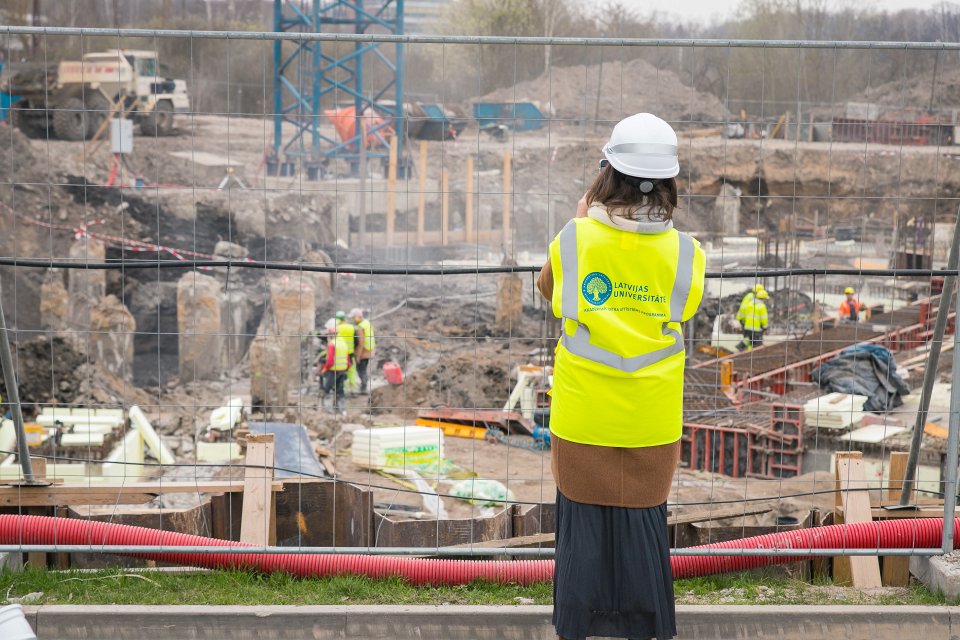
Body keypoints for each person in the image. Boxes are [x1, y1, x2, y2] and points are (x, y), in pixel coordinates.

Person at [536, 112, 705, 640]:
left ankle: (580, 626)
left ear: (607, 173)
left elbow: (548, 289)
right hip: (650, 422)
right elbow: (686, 304)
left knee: (580, 529)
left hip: (582, 416)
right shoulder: (686, 253)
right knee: (644, 526)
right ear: (669, 183)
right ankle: (645, 626)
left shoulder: (575, 239)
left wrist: (584, 219)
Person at [319, 321, 350, 414]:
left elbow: (330, 361)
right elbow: (348, 360)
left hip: (333, 371)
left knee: (327, 389)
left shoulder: (332, 344)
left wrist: (325, 369)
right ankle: (342, 410)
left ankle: (329, 410)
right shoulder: (343, 343)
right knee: (340, 390)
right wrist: (346, 369)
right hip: (342, 370)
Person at [350, 308, 375, 394]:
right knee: (363, 369)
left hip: (363, 352)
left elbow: (361, 343)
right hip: (369, 351)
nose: (353, 319)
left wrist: (357, 356)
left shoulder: (360, 328)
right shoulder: (367, 323)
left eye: (353, 317)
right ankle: (364, 386)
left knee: (361, 370)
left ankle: (364, 388)